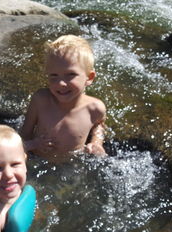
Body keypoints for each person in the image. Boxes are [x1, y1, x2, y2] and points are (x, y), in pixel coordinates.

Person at [20, 34, 107, 162]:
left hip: (72, 166)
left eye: (70, 75)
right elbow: (23, 137)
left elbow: (99, 126)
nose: (61, 83)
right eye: (54, 76)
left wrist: (96, 143)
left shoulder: (95, 108)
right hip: (37, 159)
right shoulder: (41, 101)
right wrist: (34, 144)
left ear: (89, 78)